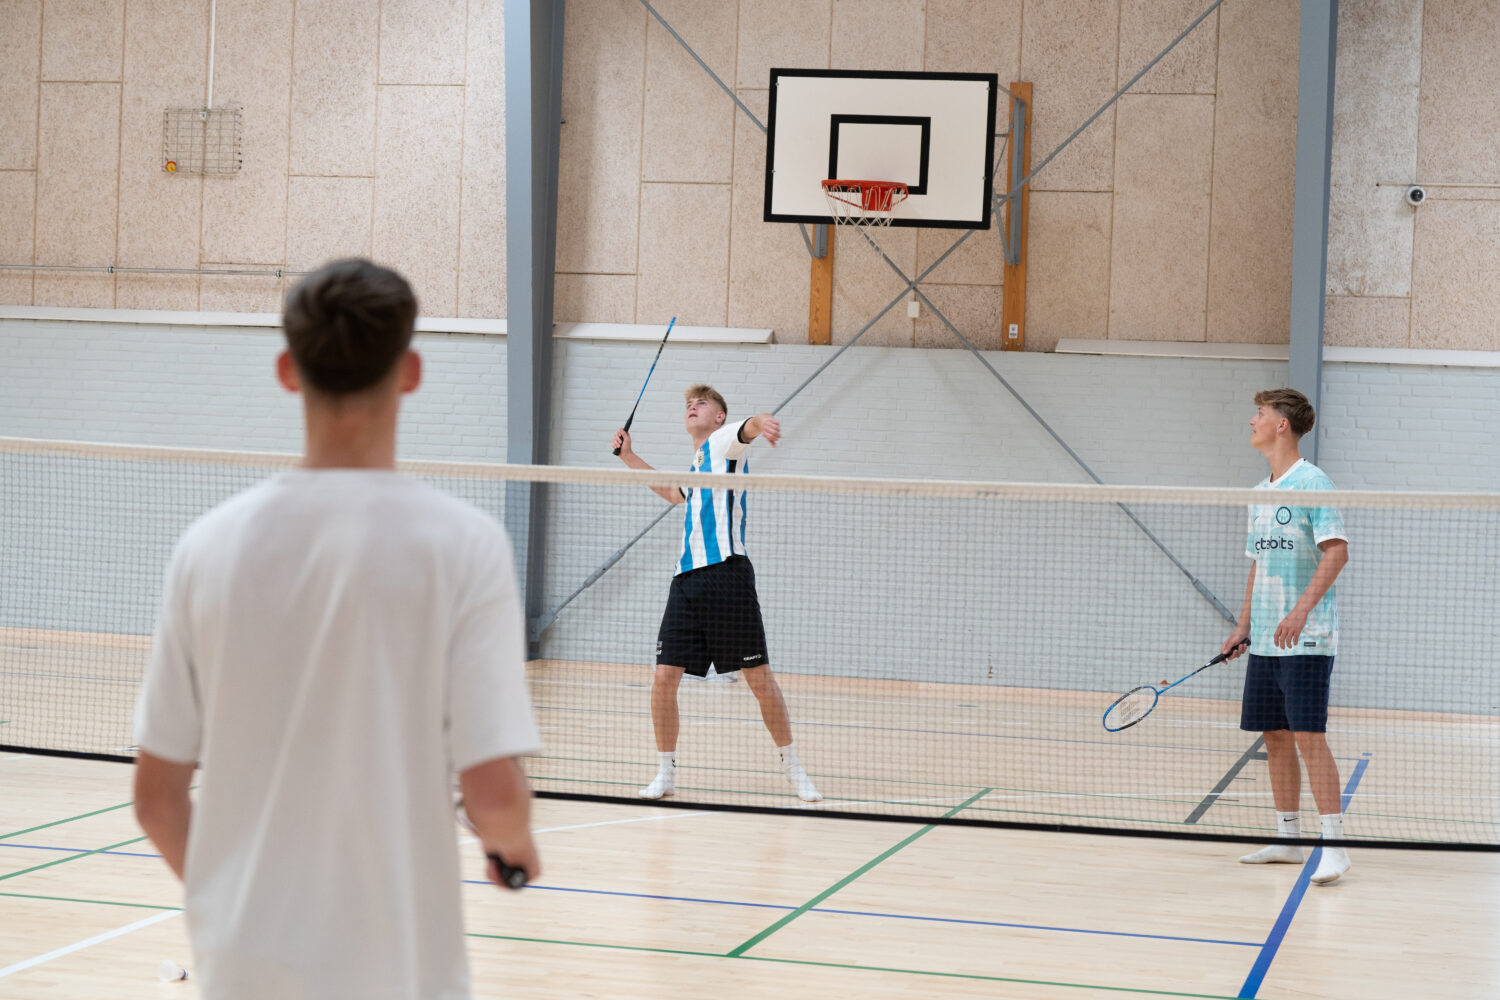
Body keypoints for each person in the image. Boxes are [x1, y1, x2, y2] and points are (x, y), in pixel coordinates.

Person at [132, 258, 541, 999]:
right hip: (403, 970)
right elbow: (494, 795)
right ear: (410, 371)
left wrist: (228, 911)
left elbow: (156, 799)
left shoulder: (208, 547)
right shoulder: (465, 545)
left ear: (288, 371)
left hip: (243, 968)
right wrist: (514, 846)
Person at [613, 385, 821, 802]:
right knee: (663, 678)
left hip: (727, 575)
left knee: (759, 679)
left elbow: (750, 427)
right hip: (686, 580)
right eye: (689, 403)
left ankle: (793, 767)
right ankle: (665, 773)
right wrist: (629, 457)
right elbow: (675, 493)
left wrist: (763, 422)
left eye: (702, 403)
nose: (692, 406)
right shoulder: (697, 465)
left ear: (719, 417)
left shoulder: (723, 445)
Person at [1221, 388, 1350, 885]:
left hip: (1308, 638)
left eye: (1259, 414)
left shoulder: (1313, 483)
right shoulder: (1261, 492)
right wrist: (1243, 625)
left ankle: (1334, 846)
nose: (1250, 420)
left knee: (1308, 738)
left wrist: (1299, 612)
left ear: (1281, 426)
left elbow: (1336, 552)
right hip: (1268, 641)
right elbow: (1258, 565)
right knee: (1274, 737)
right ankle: (1288, 838)